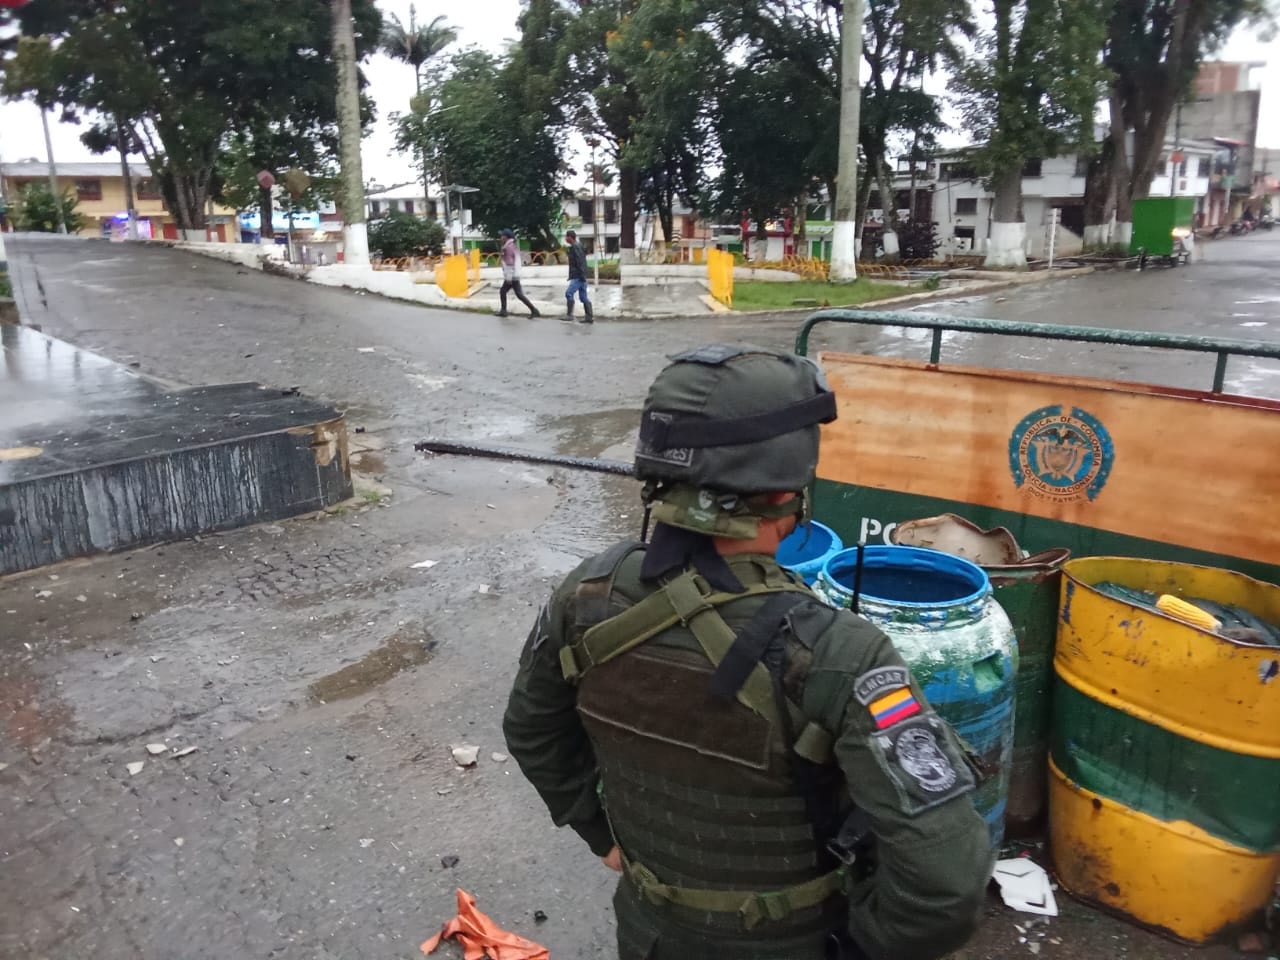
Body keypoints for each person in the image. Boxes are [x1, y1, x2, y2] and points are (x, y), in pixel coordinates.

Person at [504, 345, 993, 960]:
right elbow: (946, 879)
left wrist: (598, 832)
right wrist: (868, 948)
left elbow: (531, 729)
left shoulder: (588, 591)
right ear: (788, 485)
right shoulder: (841, 653)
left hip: (650, 932)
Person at [497, 229, 540, 318]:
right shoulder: (513, 246)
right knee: (512, 293)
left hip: (511, 275)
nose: (500, 237)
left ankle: (504, 311)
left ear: (506, 237)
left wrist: (508, 278)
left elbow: (509, 264)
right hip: (515, 273)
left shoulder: (507, 248)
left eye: (502, 235)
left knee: (509, 292)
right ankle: (533, 310)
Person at [562, 229, 593, 324]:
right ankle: (589, 317)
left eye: (566, 237)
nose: (565, 239)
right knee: (583, 297)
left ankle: (569, 315)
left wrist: (581, 275)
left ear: (570, 237)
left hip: (578, 276)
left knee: (569, 293)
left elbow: (580, 262)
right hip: (581, 275)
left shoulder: (575, 247)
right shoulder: (578, 246)